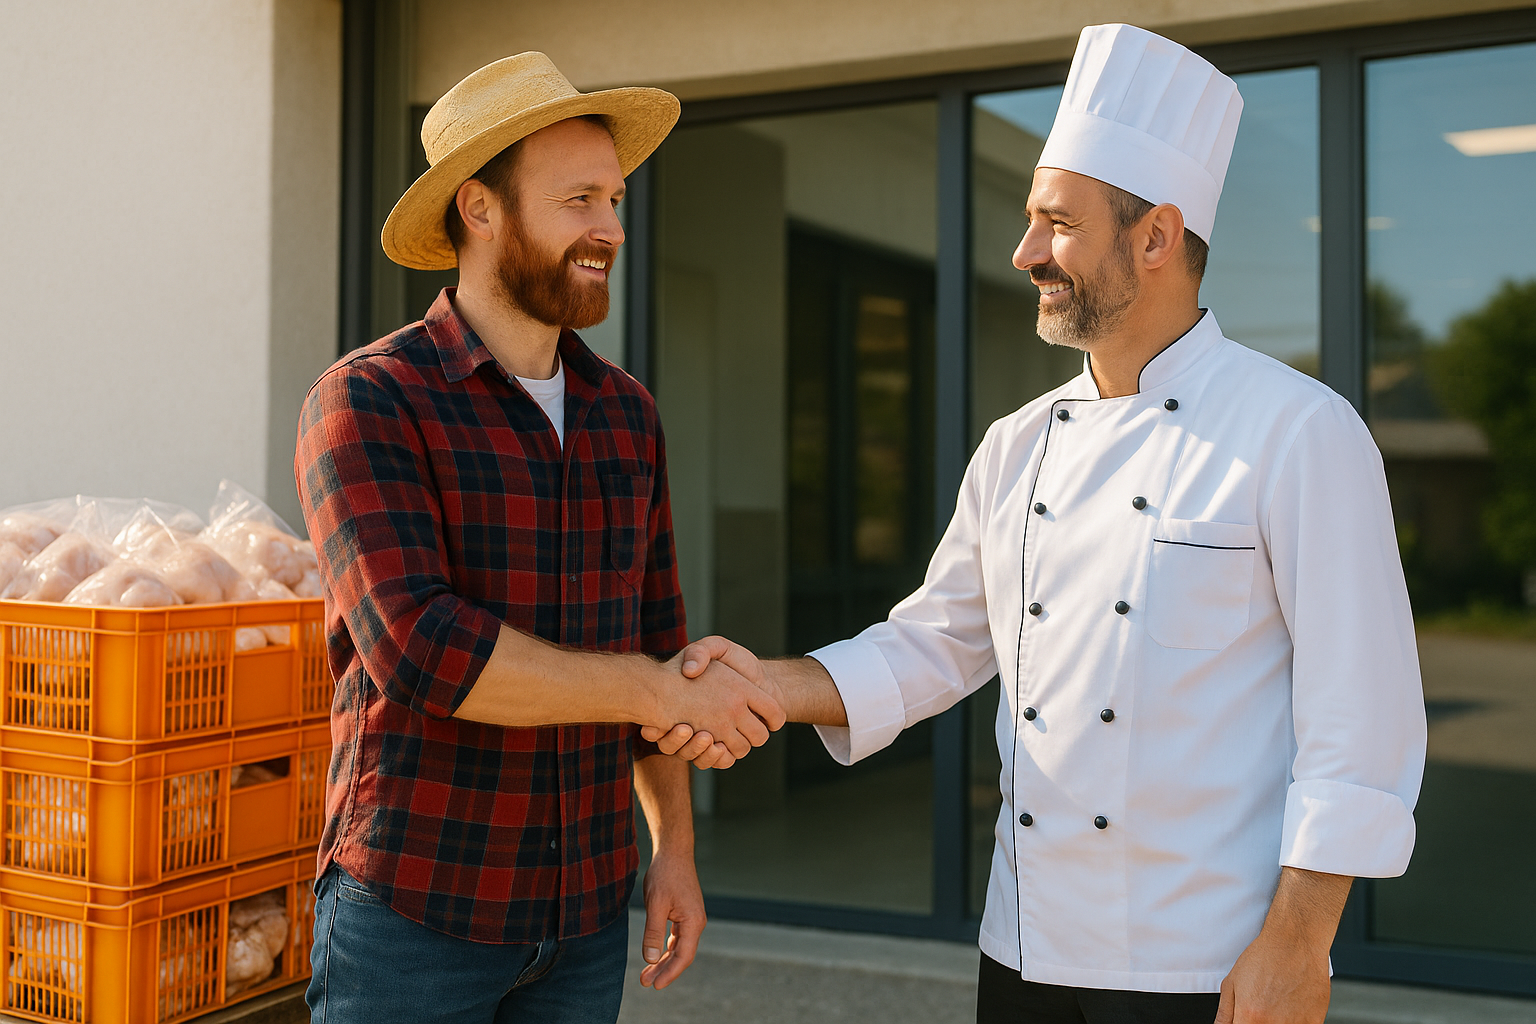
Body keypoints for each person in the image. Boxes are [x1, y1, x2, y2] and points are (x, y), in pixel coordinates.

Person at [656, 23, 1427, 1024]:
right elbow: (935, 643)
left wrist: (1299, 939)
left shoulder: (1300, 431)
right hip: (1022, 951)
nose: (1025, 254)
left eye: (1057, 223)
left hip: (1205, 963)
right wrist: (765, 686)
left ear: (1156, 238)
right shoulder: (1018, 443)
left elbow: (1361, 717)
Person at [294, 53, 785, 1024]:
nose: (612, 228)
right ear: (480, 209)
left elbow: (660, 645)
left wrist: (674, 850)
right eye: (579, 201)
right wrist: (653, 689)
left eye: (615, 199)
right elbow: (420, 648)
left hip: (587, 917)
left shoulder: (626, 414)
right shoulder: (368, 400)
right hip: (415, 916)